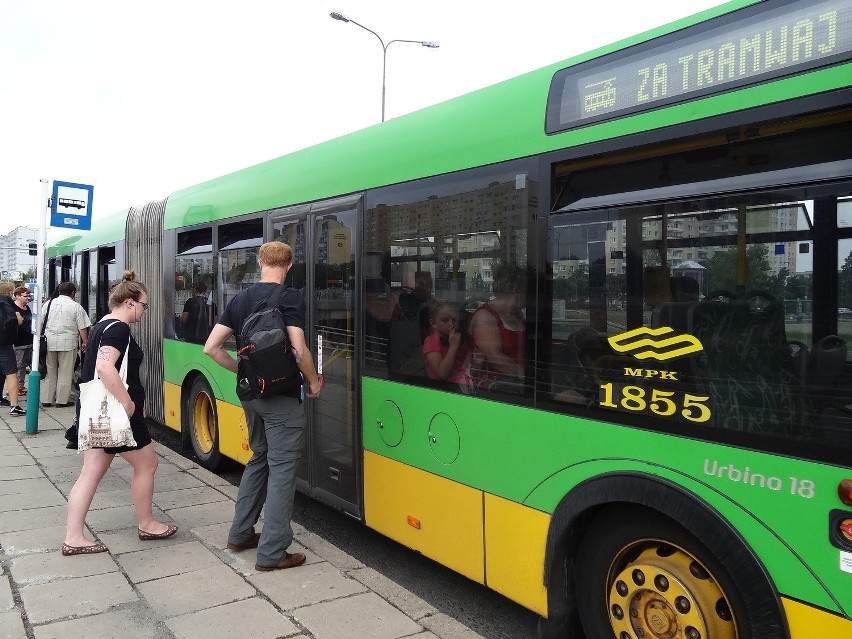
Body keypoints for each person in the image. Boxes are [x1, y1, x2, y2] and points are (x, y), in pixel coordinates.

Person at [204, 241, 322, 572]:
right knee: (283, 468)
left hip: (251, 396)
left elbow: (211, 348)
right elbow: (298, 351)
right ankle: (272, 552)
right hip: (282, 396)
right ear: (289, 266)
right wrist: (313, 382)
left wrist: (243, 370)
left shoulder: (240, 300)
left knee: (259, 458)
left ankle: (240, 534)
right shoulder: (290, 297)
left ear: (259, 263)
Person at [63, 271, 178, 555]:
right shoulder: (119, 329)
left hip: (98, 411)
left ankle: (73, 536)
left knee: (90, 473)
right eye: (144, 305)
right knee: (147, 465)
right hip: (116, 415)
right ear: (129, 303)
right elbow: (105, 367)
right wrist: (128, 404)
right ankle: (147, 524)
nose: (144, 311)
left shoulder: (102, 324)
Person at [467, 263, 526, 386]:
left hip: (517, 381)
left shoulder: (518, 315)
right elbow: (494, 358)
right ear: (515, 288)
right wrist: (528, 376)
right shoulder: (485, 316)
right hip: (497, 384)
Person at [40, 281, 90, 408]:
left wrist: (40, 339)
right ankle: (61, 401)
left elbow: (41, 323)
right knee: (66, 372)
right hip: (68, 343)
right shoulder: (76, 306)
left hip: (49, 343)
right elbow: (82, 327)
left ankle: (46, 399)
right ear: (73, 293)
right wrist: (85, 341)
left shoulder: (48, 304)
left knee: (49, 371)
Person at [423, 300, 472, 385]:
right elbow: (441, 374)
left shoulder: (458, 338)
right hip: (444, 389)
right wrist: (453, 347)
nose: (451, 324)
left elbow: (465, 364)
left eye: (454, 320)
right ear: (434, 323)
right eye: (445, 320)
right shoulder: (432, 341)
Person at [0, 281, 25, 415]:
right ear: (9, 292)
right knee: (11, 374)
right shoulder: (8, 303)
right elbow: (19, 320)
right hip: (4, 345)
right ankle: (14, 405)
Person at [12, 286, 33, 397]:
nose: (28, 298)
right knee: (18, 365)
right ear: (17, 296)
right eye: (25, 296)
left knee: (24, 366)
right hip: (18, 342)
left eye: (29, 296)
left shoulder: (27, 308)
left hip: (28, 341)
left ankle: (20, 386)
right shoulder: (13, 308)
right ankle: (15, 387)